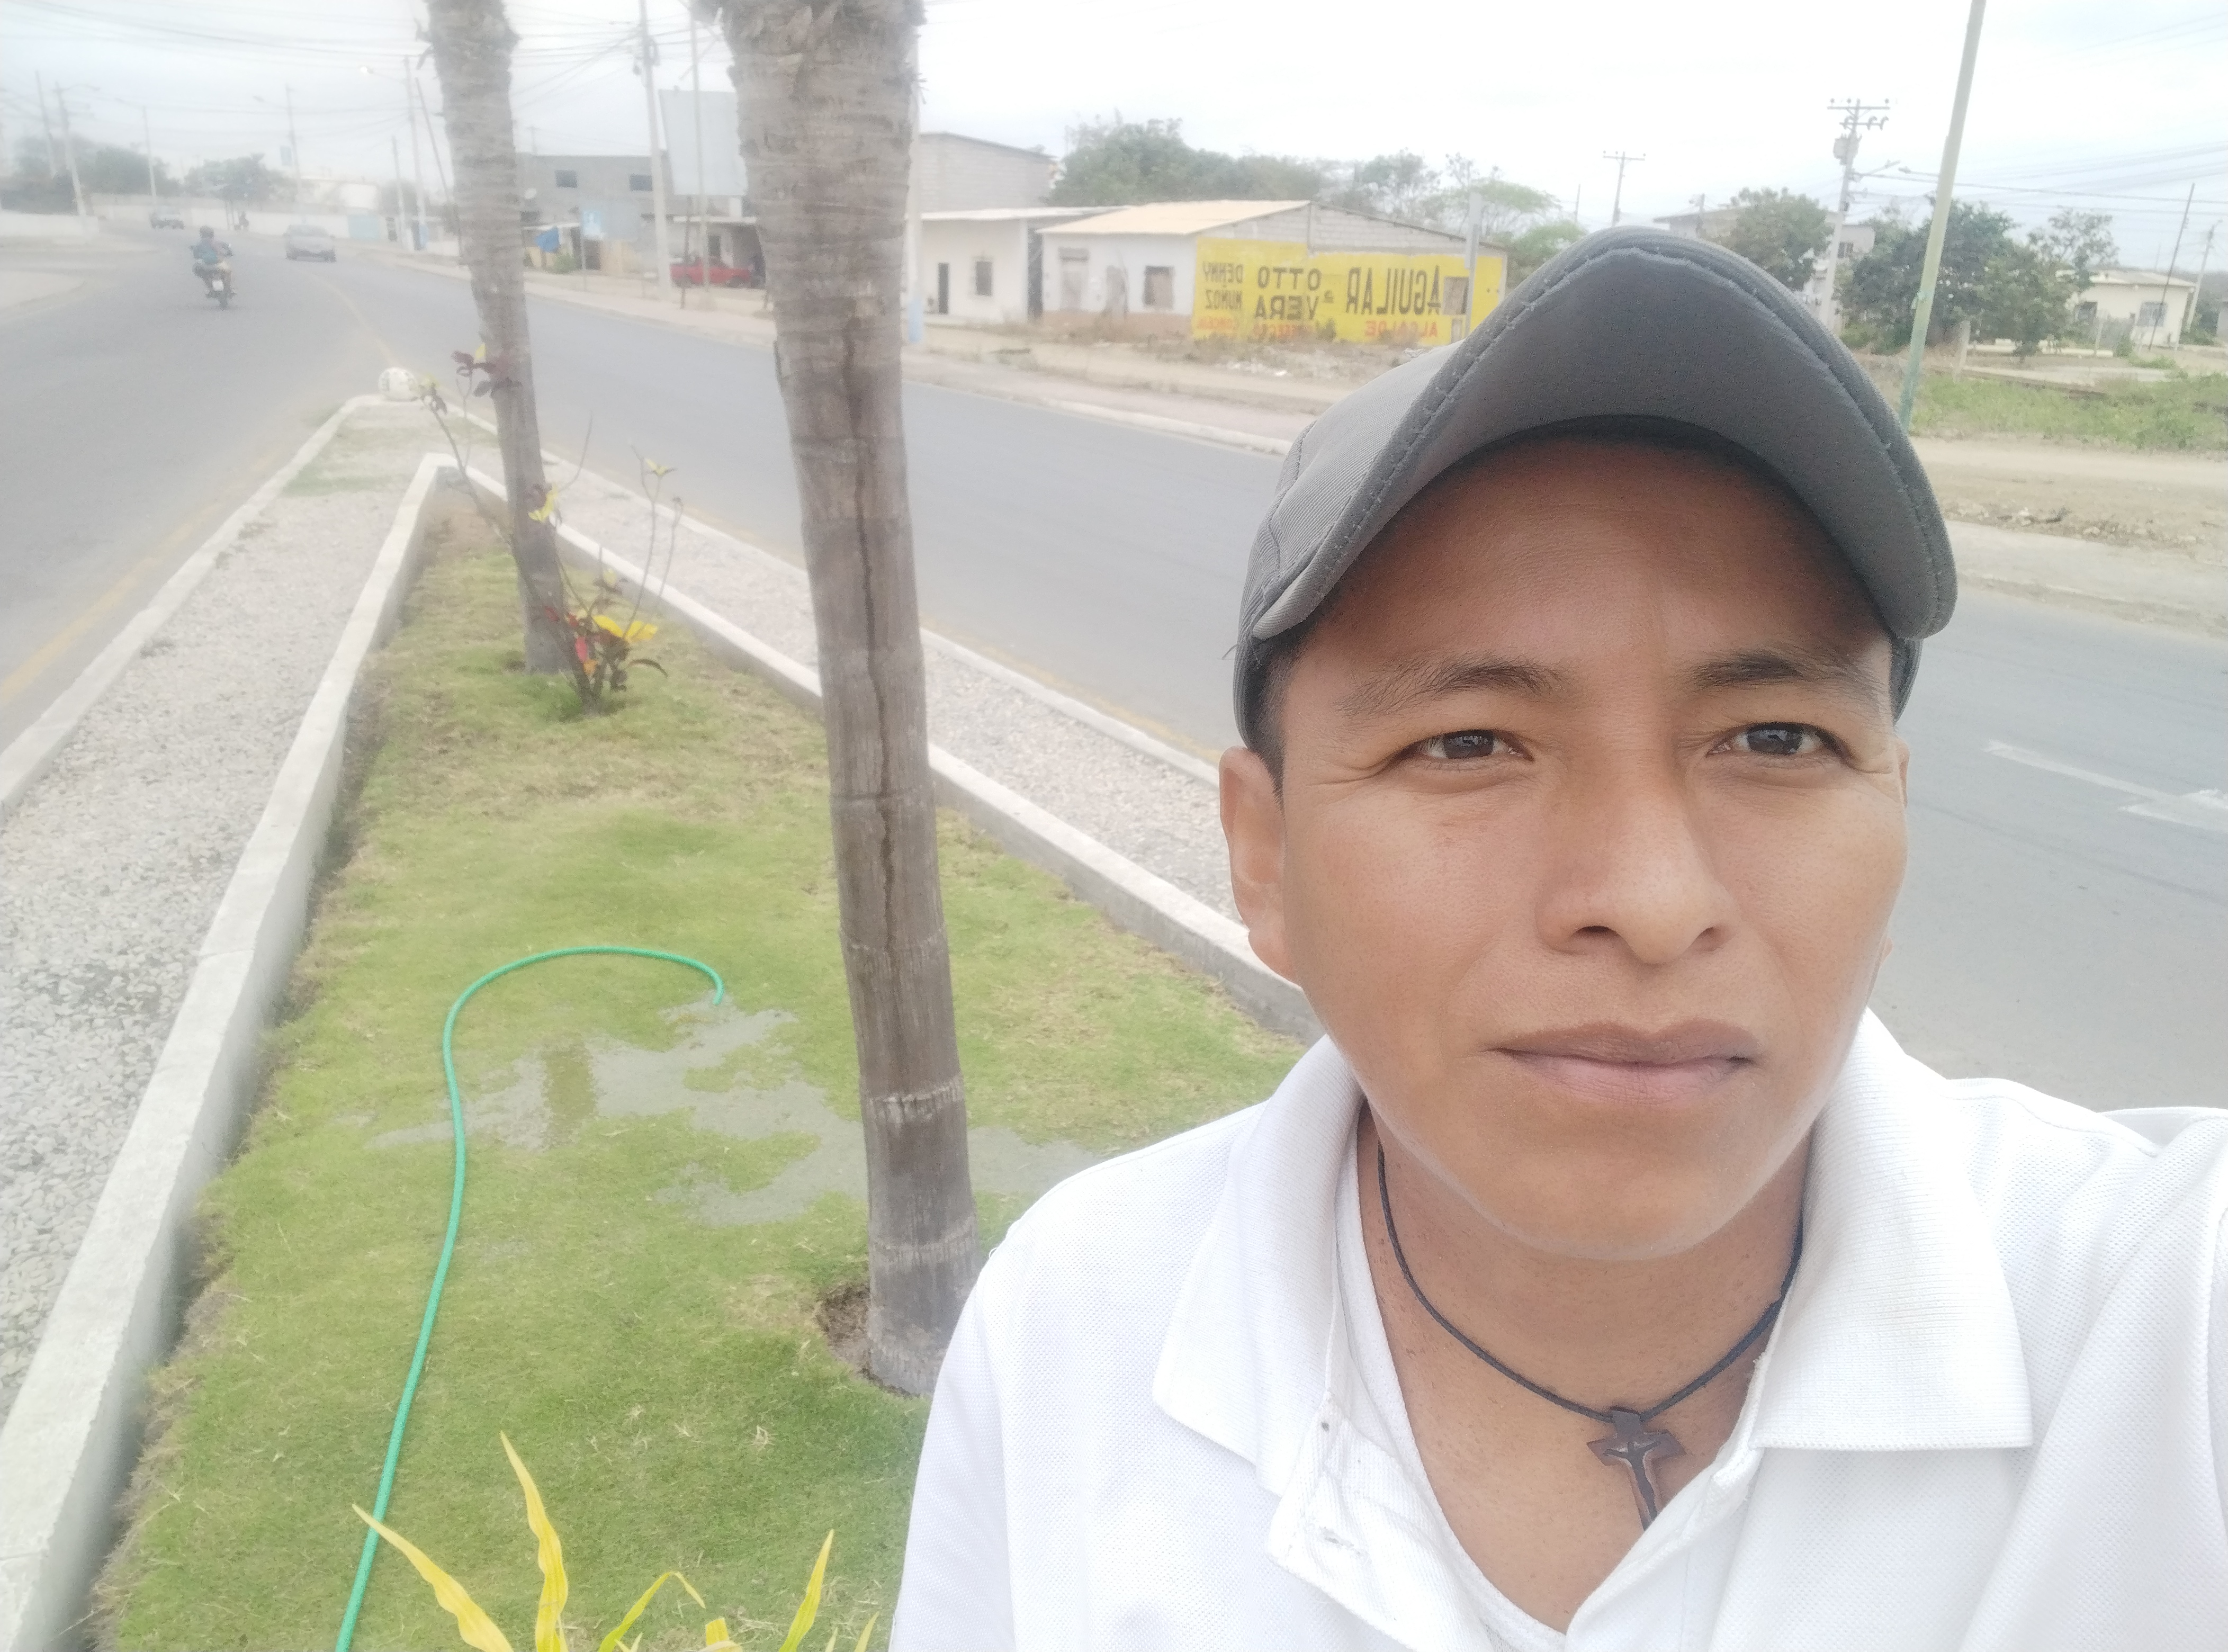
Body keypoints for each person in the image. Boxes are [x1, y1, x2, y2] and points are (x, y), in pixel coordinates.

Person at [890, 228, 2227, 1649]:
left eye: (1778, 739)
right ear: (1264, 856)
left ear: (1890, 810)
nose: (1652, 901)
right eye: (1467, 743)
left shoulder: (2166, 1314)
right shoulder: (1076, 1320)